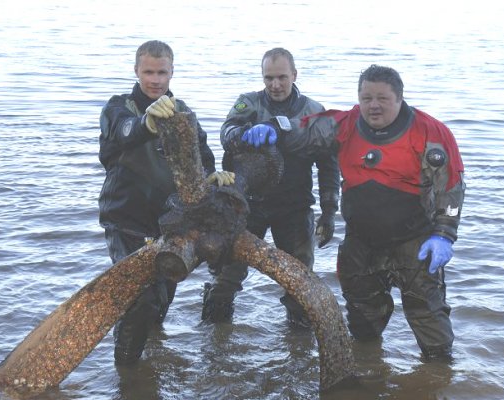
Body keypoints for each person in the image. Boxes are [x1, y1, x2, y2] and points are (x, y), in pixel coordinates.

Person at [240, 64, 465, 360]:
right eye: (366, 98)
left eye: (382, 98)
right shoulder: (344, 124)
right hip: (362, 241)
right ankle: (368, 370)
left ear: (399, 98)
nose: (373, 106)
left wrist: (444, 234)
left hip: (415, 241)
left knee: (428, 317)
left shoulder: (429, 132)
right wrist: (271, 128)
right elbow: (300, 130)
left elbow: (451, 186)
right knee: (361, 322)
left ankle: (438, 376)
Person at [98, 40, 233, 364]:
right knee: (138, 295)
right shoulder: (118, 108)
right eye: (148, 72)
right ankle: (127, 372)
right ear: (136, 71)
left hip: (168, 223)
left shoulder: (183, 112)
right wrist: (147, 122)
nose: (155, 80)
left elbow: (203, 159)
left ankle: (151, 359)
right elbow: (125, 131)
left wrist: (212, 178)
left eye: (161, 72)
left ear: (171, 72)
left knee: (158, 301)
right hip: (125, 220)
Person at [200, 47, 340, 327]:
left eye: (281, 78)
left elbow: (328, 166)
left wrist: (329, 212)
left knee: (299, 281)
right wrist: (243, 133)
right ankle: (215, 339)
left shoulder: (315, 113)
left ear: (294, 75)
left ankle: (299, 345)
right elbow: (226, 132)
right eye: (268, 78)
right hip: (247, 206)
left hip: (294, 208)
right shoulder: (248, 104)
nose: (275, 85)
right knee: (227, 276)